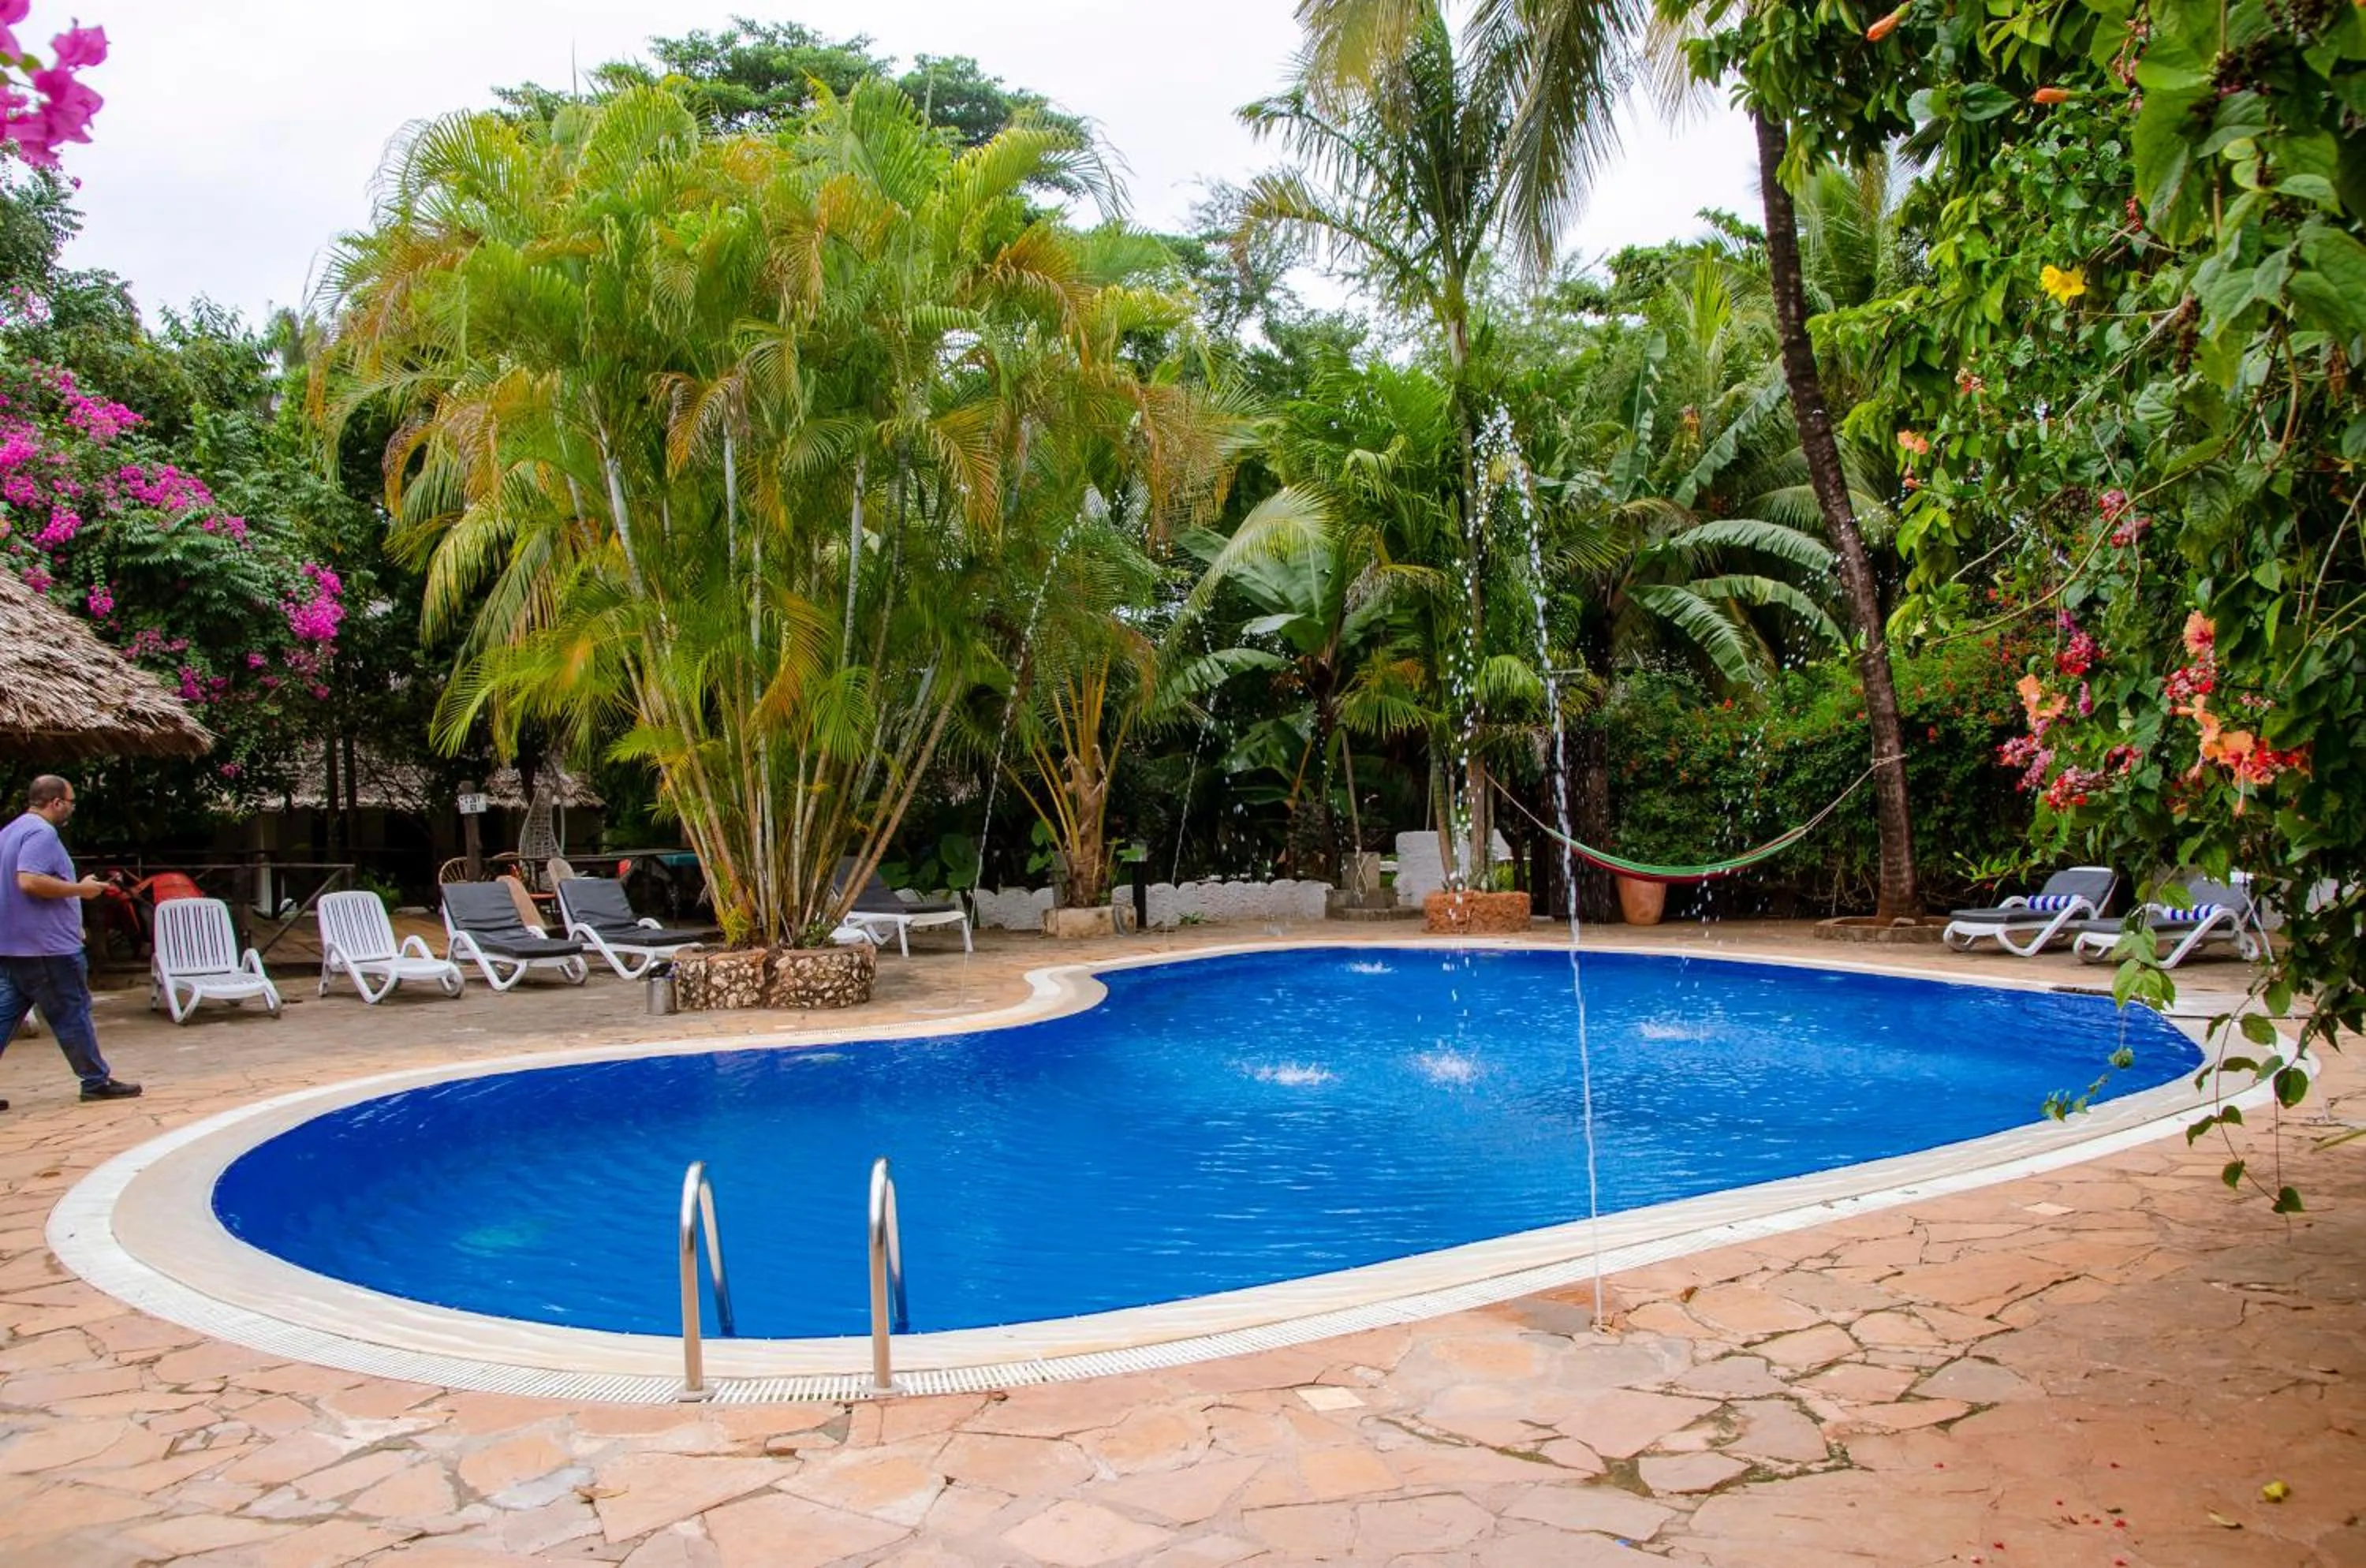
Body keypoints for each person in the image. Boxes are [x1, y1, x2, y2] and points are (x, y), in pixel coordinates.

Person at [0, 775, 142, 1107]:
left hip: (14, 946)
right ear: (56, 802)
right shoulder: (41, 833)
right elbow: (29, 881)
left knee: (4, 1016)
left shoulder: (9, 832)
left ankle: (95, 1079)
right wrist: (82, 890)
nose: (73, 809)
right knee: (72, 1012)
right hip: (47, 948)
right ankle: (95, 1081)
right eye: (71, 802)